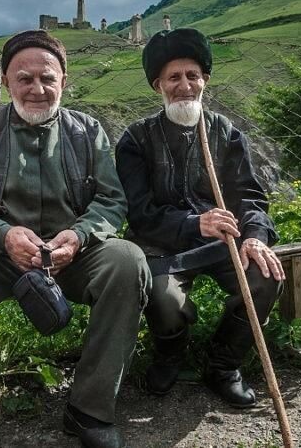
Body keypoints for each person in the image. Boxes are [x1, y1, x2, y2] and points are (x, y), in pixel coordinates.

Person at [0, 30, 150, 448]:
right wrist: (3, 234)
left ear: (64, 81)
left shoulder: (88, 130)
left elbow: (112, 200)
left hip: (72, 256)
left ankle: (89, 411)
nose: (37, 89)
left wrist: (78, 236)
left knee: (127, 260)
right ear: (6, 81)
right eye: (24, 79)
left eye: (48, 78)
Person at [115, 28, 285, 408]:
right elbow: (139, 213)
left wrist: (255, 236)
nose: (184, 85)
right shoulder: (136, 139)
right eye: (173, 77)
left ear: (205, 79)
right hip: (162, 245)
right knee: (164, 299)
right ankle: (170, 355)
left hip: (224, 242)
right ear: (158, 85)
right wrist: (194, 223)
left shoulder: (226, 133)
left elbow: (249, 196)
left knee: (265, 276)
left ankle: (222, 365)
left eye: (192, 75)